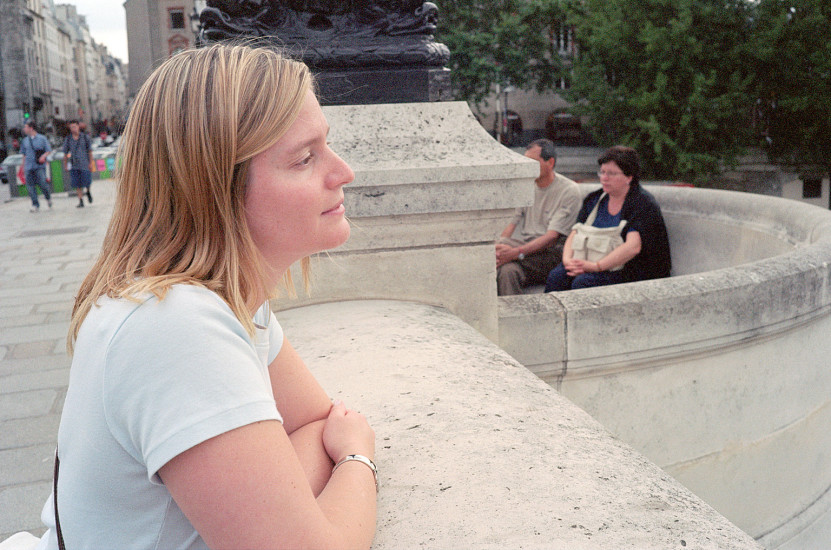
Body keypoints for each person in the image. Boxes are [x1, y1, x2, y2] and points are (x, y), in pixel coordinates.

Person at [35, 43, 377, 549]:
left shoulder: (223, 298)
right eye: (305, 158)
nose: (343, 171)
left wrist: (279, 507)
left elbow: (309, 421)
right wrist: (355, 458)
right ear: (215, 187)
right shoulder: (176, 325)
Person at [545, 145, 671, 291]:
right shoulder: (594, 199)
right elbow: (575, 232)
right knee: (557, 276)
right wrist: (568, 262)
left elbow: (633, 248)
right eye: (602, 172)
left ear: (629, 177)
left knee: (583, 283)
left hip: (632, 270)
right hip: (591, 261)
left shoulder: (642, 204)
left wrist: (595, 267)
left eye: (611, 173)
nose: (604, 178)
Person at [496, 138, 581, 295]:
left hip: (551, 253)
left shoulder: (569, 190)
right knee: (506, 269)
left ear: (550, 162)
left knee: (501, 262)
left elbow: (551, 237)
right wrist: (500, 249)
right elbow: (509, 225)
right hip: (526, 248)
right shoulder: (525, 187)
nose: (527, 167)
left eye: (532, 162)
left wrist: (516, 252)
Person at [20, 122, 52, 212]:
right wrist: (23, 167)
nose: (24, 129)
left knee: (43, 184)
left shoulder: (42, 138)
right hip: (28, 167)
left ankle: (48, 197)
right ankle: (35, 204)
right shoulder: (25, 140)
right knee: (30, 187)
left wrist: (43, 156)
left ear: (31, 128)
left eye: (26, 127)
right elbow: (24, 154)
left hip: (39, 166)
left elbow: (48, 150)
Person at [62, 119, 94, 208]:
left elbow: (90, 151)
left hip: (85, 164)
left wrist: (91, 163)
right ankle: (80, 200)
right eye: (71, 127)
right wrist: (65, 165)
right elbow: (65, 153)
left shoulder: (85, 137)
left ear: (78, 126)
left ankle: (88, 191)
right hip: (74, 164)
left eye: (74, 126)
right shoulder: (68, 139)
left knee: (87, 181)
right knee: (77, 184)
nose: (73, 129)